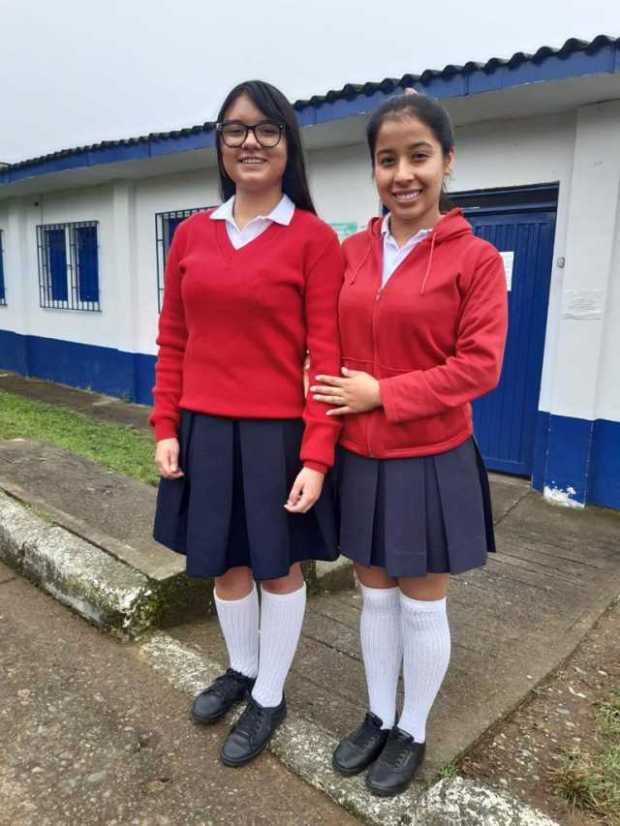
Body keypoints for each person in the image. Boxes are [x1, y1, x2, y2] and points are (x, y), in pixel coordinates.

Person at [311, 92, 508, 797]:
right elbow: (327, 346)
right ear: (374, 169)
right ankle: (376, 714)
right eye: (387, 159)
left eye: (418, 156)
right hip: (363, 458)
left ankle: (413, 728)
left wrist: (383, 394)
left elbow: (479, 366)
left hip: (431, 457)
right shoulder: (351, 252)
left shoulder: (476, 260)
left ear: (446, 162)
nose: (403, 173)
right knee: (374, 597)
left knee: (422, 601)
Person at [150, 80, 343, 768]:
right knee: (225, 568)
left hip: (275, 437)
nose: (250, 141)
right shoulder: (191, 235)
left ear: (288, 144)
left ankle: (270, 694)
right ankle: (240, 669)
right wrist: (165, 425)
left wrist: (317, 456)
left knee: (278, 570)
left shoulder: (314, 240)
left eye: (266, 129)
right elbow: (173, 338)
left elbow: (328, 358)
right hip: (202, 430)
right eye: (235, 129)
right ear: (221, 144)